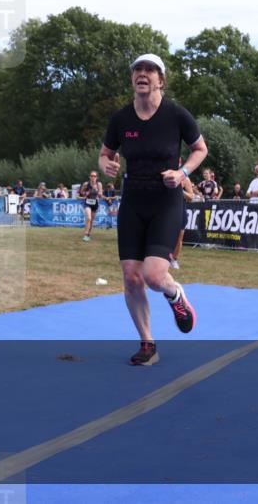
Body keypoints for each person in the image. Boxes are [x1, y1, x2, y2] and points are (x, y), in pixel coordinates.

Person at [98, 53, 206, 367]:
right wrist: (106, 165)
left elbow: (200, 149)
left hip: (166, 198)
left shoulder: (176, 115)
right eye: (137, 70)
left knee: (154, 276)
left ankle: (176, 296)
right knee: (131, 278)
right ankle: (147, 343)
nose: (143, 74)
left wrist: (183, 173)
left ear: (161, 79)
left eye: (150, 70)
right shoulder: (121, 119)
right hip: (133, 199)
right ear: (132, 78)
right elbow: (105, 154)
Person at [78, 171, 101, 242]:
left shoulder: (99, 184)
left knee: (92, 220)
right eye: (91, 176)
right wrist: (86, 193)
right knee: (88, 218)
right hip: (87, 202)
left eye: (94, 176)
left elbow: (100, 193)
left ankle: (88, 234)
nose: (93, 177)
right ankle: (86, 234)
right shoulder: (86, 184)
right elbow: (81, 192)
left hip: (95, 203)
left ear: (97, 177)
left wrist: (98, 192)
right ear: (89, 177)